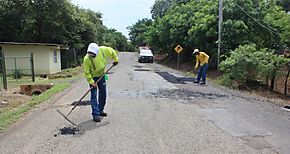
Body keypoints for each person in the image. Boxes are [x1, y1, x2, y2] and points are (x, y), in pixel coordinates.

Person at [83, 43, 118, 122]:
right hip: (93, 78)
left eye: (93, 54)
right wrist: (92, 82)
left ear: (97, 51)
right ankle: (95, 114)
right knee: (94, 95)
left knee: (103, 93)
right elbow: (87, 72)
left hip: (102, 75)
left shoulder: (102, 50)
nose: (92, 55)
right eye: (90, 54)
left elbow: (112, 51)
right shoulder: (86, 59)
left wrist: (115, 59)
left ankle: (100, 110)